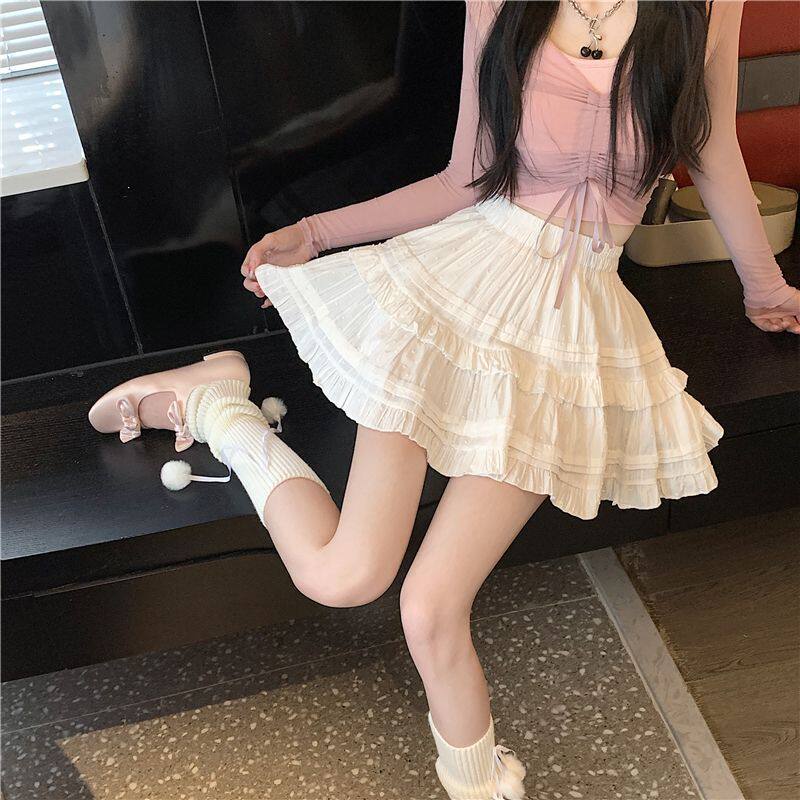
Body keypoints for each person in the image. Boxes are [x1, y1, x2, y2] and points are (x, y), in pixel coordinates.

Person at [88, 1, 800, 797]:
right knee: (346, 577)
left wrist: (765, 287)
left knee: (430, 606)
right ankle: (221, 408)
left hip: (569, 334)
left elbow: (709, 145)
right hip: (454, 291)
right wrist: (315, 234)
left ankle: (480, 781)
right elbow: (466, 177)